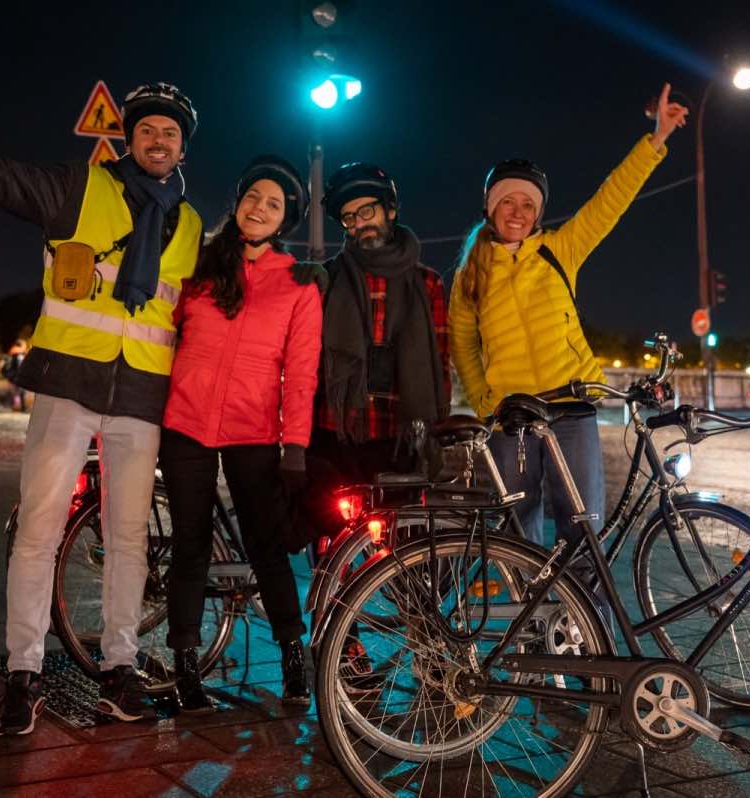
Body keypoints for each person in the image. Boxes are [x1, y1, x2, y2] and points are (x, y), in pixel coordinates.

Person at [0, 82, 203, 734]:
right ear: (130, 137)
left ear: (183, 147)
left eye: (171, 133)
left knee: (129, 539)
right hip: (68, 386)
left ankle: (121, 671)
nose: (158, 141)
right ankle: (23, 673)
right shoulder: (78, 188)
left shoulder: (190, 225)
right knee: (39, 532)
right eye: (148, 129)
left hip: (140, 398)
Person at [449, 83, 688, 620]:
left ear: (538, 213)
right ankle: (536, 639)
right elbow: (462, 341)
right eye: (507, 201)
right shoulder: (471, 273)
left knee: (581, 534)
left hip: (572, 408)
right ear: (490, 209)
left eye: (527, 203)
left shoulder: (560, 249)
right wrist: (487, 401)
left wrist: (654, 143)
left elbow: (610, 200)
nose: (517, 210)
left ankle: (593, 646)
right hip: (511, 417)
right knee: (520, 536)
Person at [159, 155, 322, 712]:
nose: (260, 208)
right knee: (190, 544)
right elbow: (160, 331)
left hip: (254, 429)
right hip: (185, 421)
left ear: (285, 221)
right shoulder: (199, 262)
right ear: (238, 202)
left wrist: (294, 445)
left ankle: (294, 656)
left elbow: (301, 373)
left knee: (267, 546)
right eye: (254, 197)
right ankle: (185, 662)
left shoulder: (298, 285)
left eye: (273, 204)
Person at [293, 163, 450, 685]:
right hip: (338, 428)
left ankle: (430, 644)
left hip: (400, 433)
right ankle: (344, 648)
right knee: (334, 545)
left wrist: (440, 435)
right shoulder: (329, 279)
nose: (360, 222)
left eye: (368, 210)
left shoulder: (428, 284)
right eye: (350, 216)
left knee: (408, 552)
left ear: (390, 210)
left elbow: (439, 365)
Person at [2, 339, 28, 411]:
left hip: (11, 375)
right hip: (16, 375)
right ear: (21, 346)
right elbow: (20, 366)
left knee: (12, 391)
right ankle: (22, 407)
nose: (25, 346)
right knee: (21, 391)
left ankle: (6, 405)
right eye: (24, 345)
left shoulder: (13, 352)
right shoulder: (19, 354)